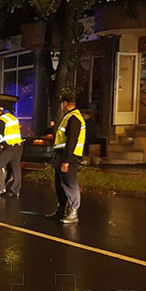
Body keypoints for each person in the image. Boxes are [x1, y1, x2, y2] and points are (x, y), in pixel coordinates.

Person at [46, 93, 86, 224]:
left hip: (69, 156)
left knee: (70, 183)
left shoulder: (74, 118)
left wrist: (66, 161)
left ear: (64, 104)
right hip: (62, 155)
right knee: (60, 184)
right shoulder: (69, 116)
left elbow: (72, 141)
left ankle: (73, 211)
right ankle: (62, 210)